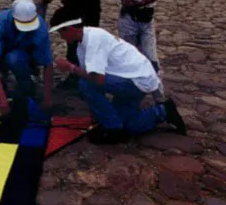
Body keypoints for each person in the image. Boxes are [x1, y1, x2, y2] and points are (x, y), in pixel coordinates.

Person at [50, 9, 185, 144]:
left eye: (61, 32)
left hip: (137, 79)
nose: (62, 37)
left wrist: (70, 68)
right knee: (129, 125)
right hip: (133, 76)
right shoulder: (83, 42)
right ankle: (163, 111)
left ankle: (113, 130)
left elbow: (97, 79)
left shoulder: (93, 39)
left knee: (85, 84)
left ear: (70, 29)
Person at [0, 0, 53, 115]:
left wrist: (47, 98)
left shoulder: (40, 27)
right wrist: (1, 98)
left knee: (14, 58)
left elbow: (47, 64)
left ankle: (27, 86)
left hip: (24, 56)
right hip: (4, 52)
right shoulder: (0, 22)